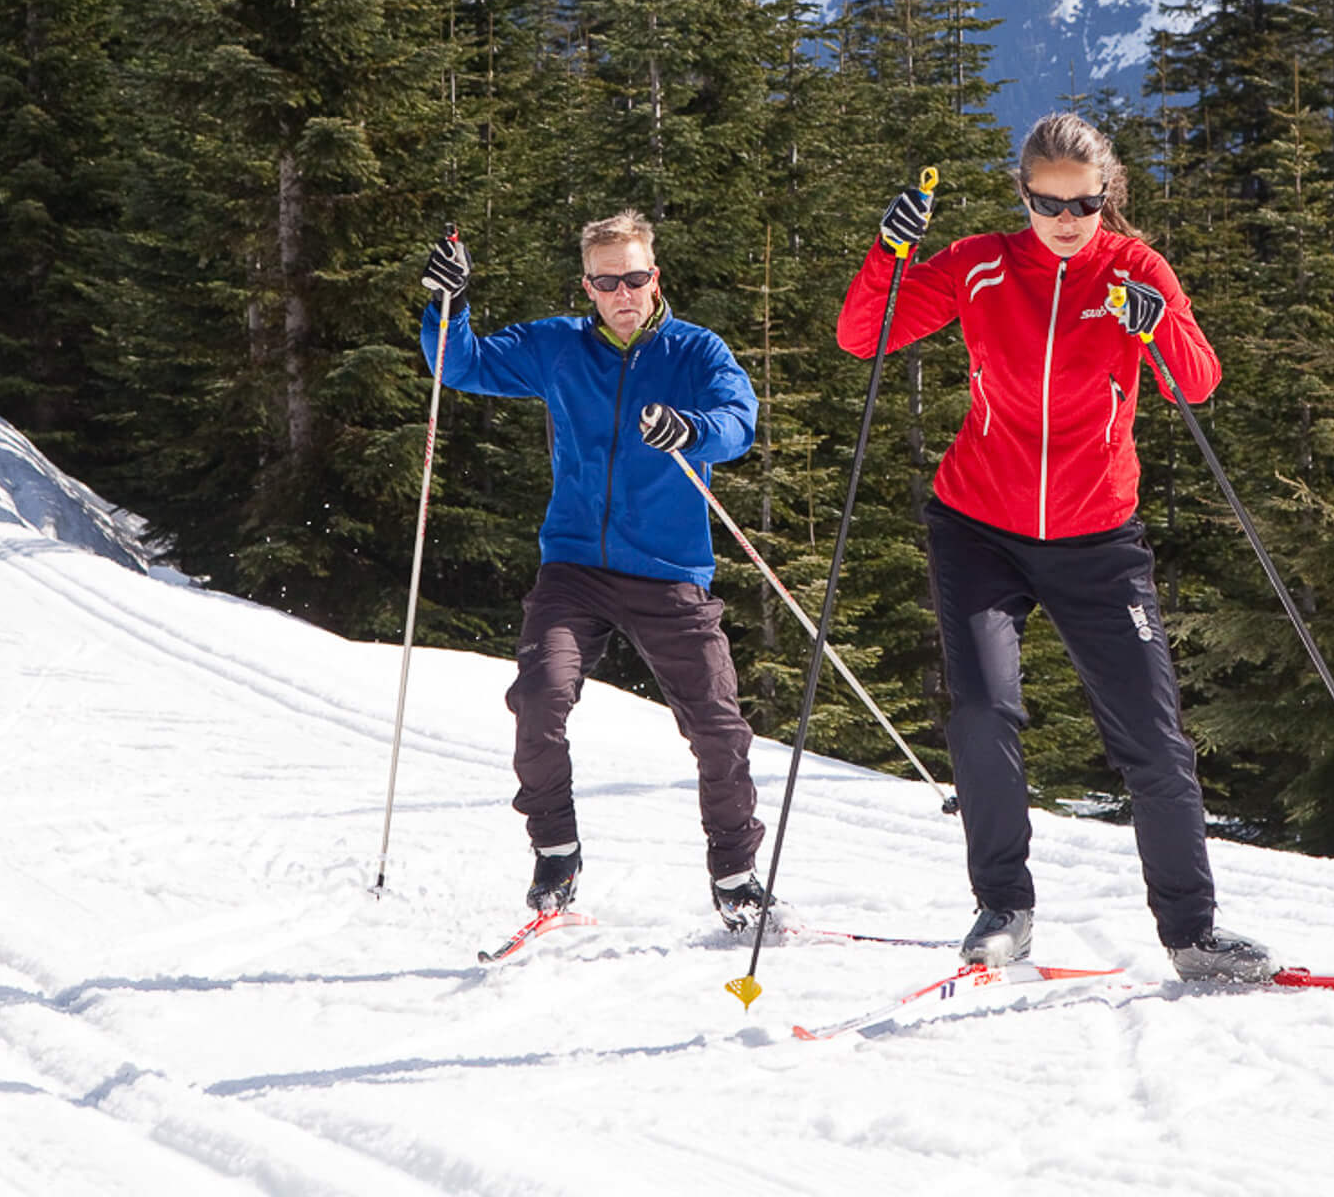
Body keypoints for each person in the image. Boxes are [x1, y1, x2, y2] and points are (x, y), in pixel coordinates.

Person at [836, 113, 1276, 983]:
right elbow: (864, 334)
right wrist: (889, 254)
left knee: (1152, 738)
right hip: (979, 526)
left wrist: (1157, 324)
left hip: (1097, 536)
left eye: (1084, 204)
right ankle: (1004, 907)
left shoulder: (1136, 270)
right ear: (1024, 195)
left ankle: (1191, 933)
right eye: (1048, 203)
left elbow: (1197, 382)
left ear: (1107, 195)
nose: (1067, 220)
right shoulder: (980, 264)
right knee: (982, 710)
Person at [419, 210, 772, 927]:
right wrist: (447, 305)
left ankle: (735, 875)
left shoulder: (694, 351)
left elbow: (738, 422)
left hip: (669, 571)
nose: (623, 294)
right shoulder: (558, 346)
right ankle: (556, 852)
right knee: (538, 697)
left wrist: (692, 429)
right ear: (588, 286)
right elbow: (461, 365)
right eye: (607, 283)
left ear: (655, 277)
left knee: (717, 727)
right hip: (575, 566)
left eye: (634, 278)